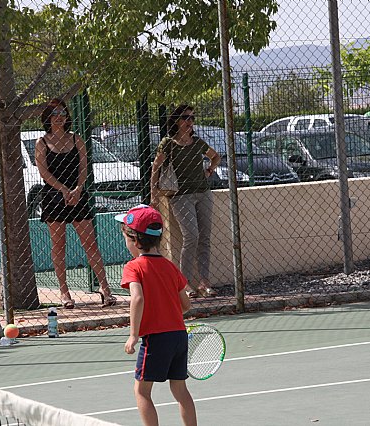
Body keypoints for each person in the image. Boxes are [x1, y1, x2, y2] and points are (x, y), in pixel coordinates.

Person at [116, 204, 197, 426]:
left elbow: (138, 298)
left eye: (126, 237)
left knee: (141, 391)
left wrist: (133, 335)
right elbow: (186, 304)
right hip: (179, 336)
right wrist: (167, 313)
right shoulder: (171, 267)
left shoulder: (134, 267)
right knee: (180, 389)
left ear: (136, 241)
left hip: (156, 339)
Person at [36, 98, 117, 309]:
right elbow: (43, 172)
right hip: (54, 197)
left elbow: (84, 167)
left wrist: (78, 189)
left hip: (78, 195)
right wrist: (62, 189)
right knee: (59, 245)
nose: (59, 117)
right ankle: (65, 293)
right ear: (47, 117)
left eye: (62, 113)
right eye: (54, 113)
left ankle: (105, 289)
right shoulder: (41, 143)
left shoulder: (76, 139)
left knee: (90, 244)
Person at [150, 104, 221, 298]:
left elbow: (216, 157)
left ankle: (204, 283)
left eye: (192, 118)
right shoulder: (168, 143)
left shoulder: (197, 142)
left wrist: (209, 170)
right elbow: (155, 168)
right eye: (186, 118)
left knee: (205, 238)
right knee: (192, 236)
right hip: (180, 196)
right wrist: (153, 194)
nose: (190, 122)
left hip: (203, 192)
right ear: (176, 121)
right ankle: (184, 283)